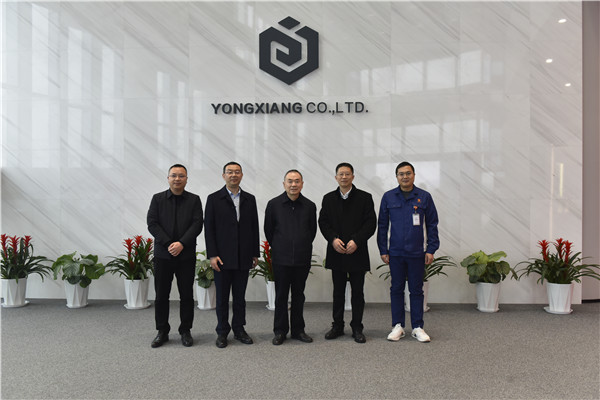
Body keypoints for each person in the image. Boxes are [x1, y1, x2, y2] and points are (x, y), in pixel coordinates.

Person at [377, 161, 439, 343]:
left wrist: (431, 249)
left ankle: (418, 327)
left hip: (416, 253)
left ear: (414, 175)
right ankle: (398, 326)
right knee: (396, 289)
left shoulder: (424, 197)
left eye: (408, 173)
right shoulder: (389, 197)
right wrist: (383, 249)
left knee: (416, 290)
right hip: (395, 253)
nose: (405, 177)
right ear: (397, 177)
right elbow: (382, 225)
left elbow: (432, 224)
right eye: (401, 174)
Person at [318, 162, 376, 343]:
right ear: (336, 177)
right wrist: (333, 239)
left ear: (353, 176)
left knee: (358, 292)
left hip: (357, 251)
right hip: (337, 250)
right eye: (341, 174)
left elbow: (370, 223)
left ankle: (357, 327)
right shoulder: (328, 198)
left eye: (347, 174)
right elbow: (323, 222)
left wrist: (357, 240)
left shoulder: (365, 197)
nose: (344, 177)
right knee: (338, 292)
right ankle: (337, 325)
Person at [147, 164, 203, 348]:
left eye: (181, 176)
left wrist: (181, 244)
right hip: (163, 255)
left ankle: (185, 330)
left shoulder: (194, 200)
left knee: (186, 295)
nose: (177, 179)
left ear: (186, 179)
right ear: (168, 178)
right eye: (174, 175)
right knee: (161, 295)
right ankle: (162, 331)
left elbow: (197, 224)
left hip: (186, 255)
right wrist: (168, 244)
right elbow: (152, 223)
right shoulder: (157, 199)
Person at [204, 162, 259, 349]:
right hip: (222, 257)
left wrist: (254, 253)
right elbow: (209, 229)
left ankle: (239, 329)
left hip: (243, 256)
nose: (233, 175)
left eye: (237, 172)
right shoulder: (214, 199)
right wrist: (212, 255)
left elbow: (254, 227)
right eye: (230, 172)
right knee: (221, 298)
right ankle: (222, 331)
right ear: (223, 176)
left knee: (240, 297)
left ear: (242, 175)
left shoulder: (250, 199)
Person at [264, 169, 317, 345]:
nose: (293, 184)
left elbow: (312, 231)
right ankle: (280, 331)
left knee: (298, 295)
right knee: (281, 295)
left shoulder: (309, 206)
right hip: (281, 258)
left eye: (297, 181)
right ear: (284, 184)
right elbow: (269, 230)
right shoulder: (274, 204)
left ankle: (298, 330)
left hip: (302, 258)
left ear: (302, 184)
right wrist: (280, 246)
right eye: (290, 181)